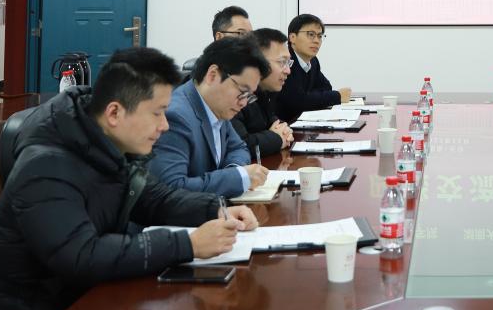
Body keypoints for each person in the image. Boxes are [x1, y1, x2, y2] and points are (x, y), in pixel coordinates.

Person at [0, 47, 257, 310]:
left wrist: (215, 209)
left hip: (76, 300)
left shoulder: (107, 142)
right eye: (157, 113)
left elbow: (153, 198)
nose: (165, 125)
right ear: (115, 113)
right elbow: (82, 256)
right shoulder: (46, 166)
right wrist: (188, 245)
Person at [150, 37, 270, 197]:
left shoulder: (216, 106)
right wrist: (237, 178)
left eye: (249, 96)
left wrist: (233, 170)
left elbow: (238, 147)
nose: (243, 103)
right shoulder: (176, 117)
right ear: (212, 75)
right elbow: (171, 189)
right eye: (242, 92)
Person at [231, 27, 294, 156]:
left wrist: (285, 131)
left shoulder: (264, 90)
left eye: (288, 62)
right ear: (257, 61)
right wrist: (276, 139)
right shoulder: (232, 92)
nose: (288, 71)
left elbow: (274, 122)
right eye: (282, 62)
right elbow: (239, 145)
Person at [276, 14, 351, 121]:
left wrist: (308, 97)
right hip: (282, 125)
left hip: (301, 121)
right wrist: (337, 96)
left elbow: (326, 87)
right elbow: (298, 101)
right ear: (292, 37)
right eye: (311, 34)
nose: (316, 40)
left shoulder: (313, 61)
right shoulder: (285, 62)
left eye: (320, 36)